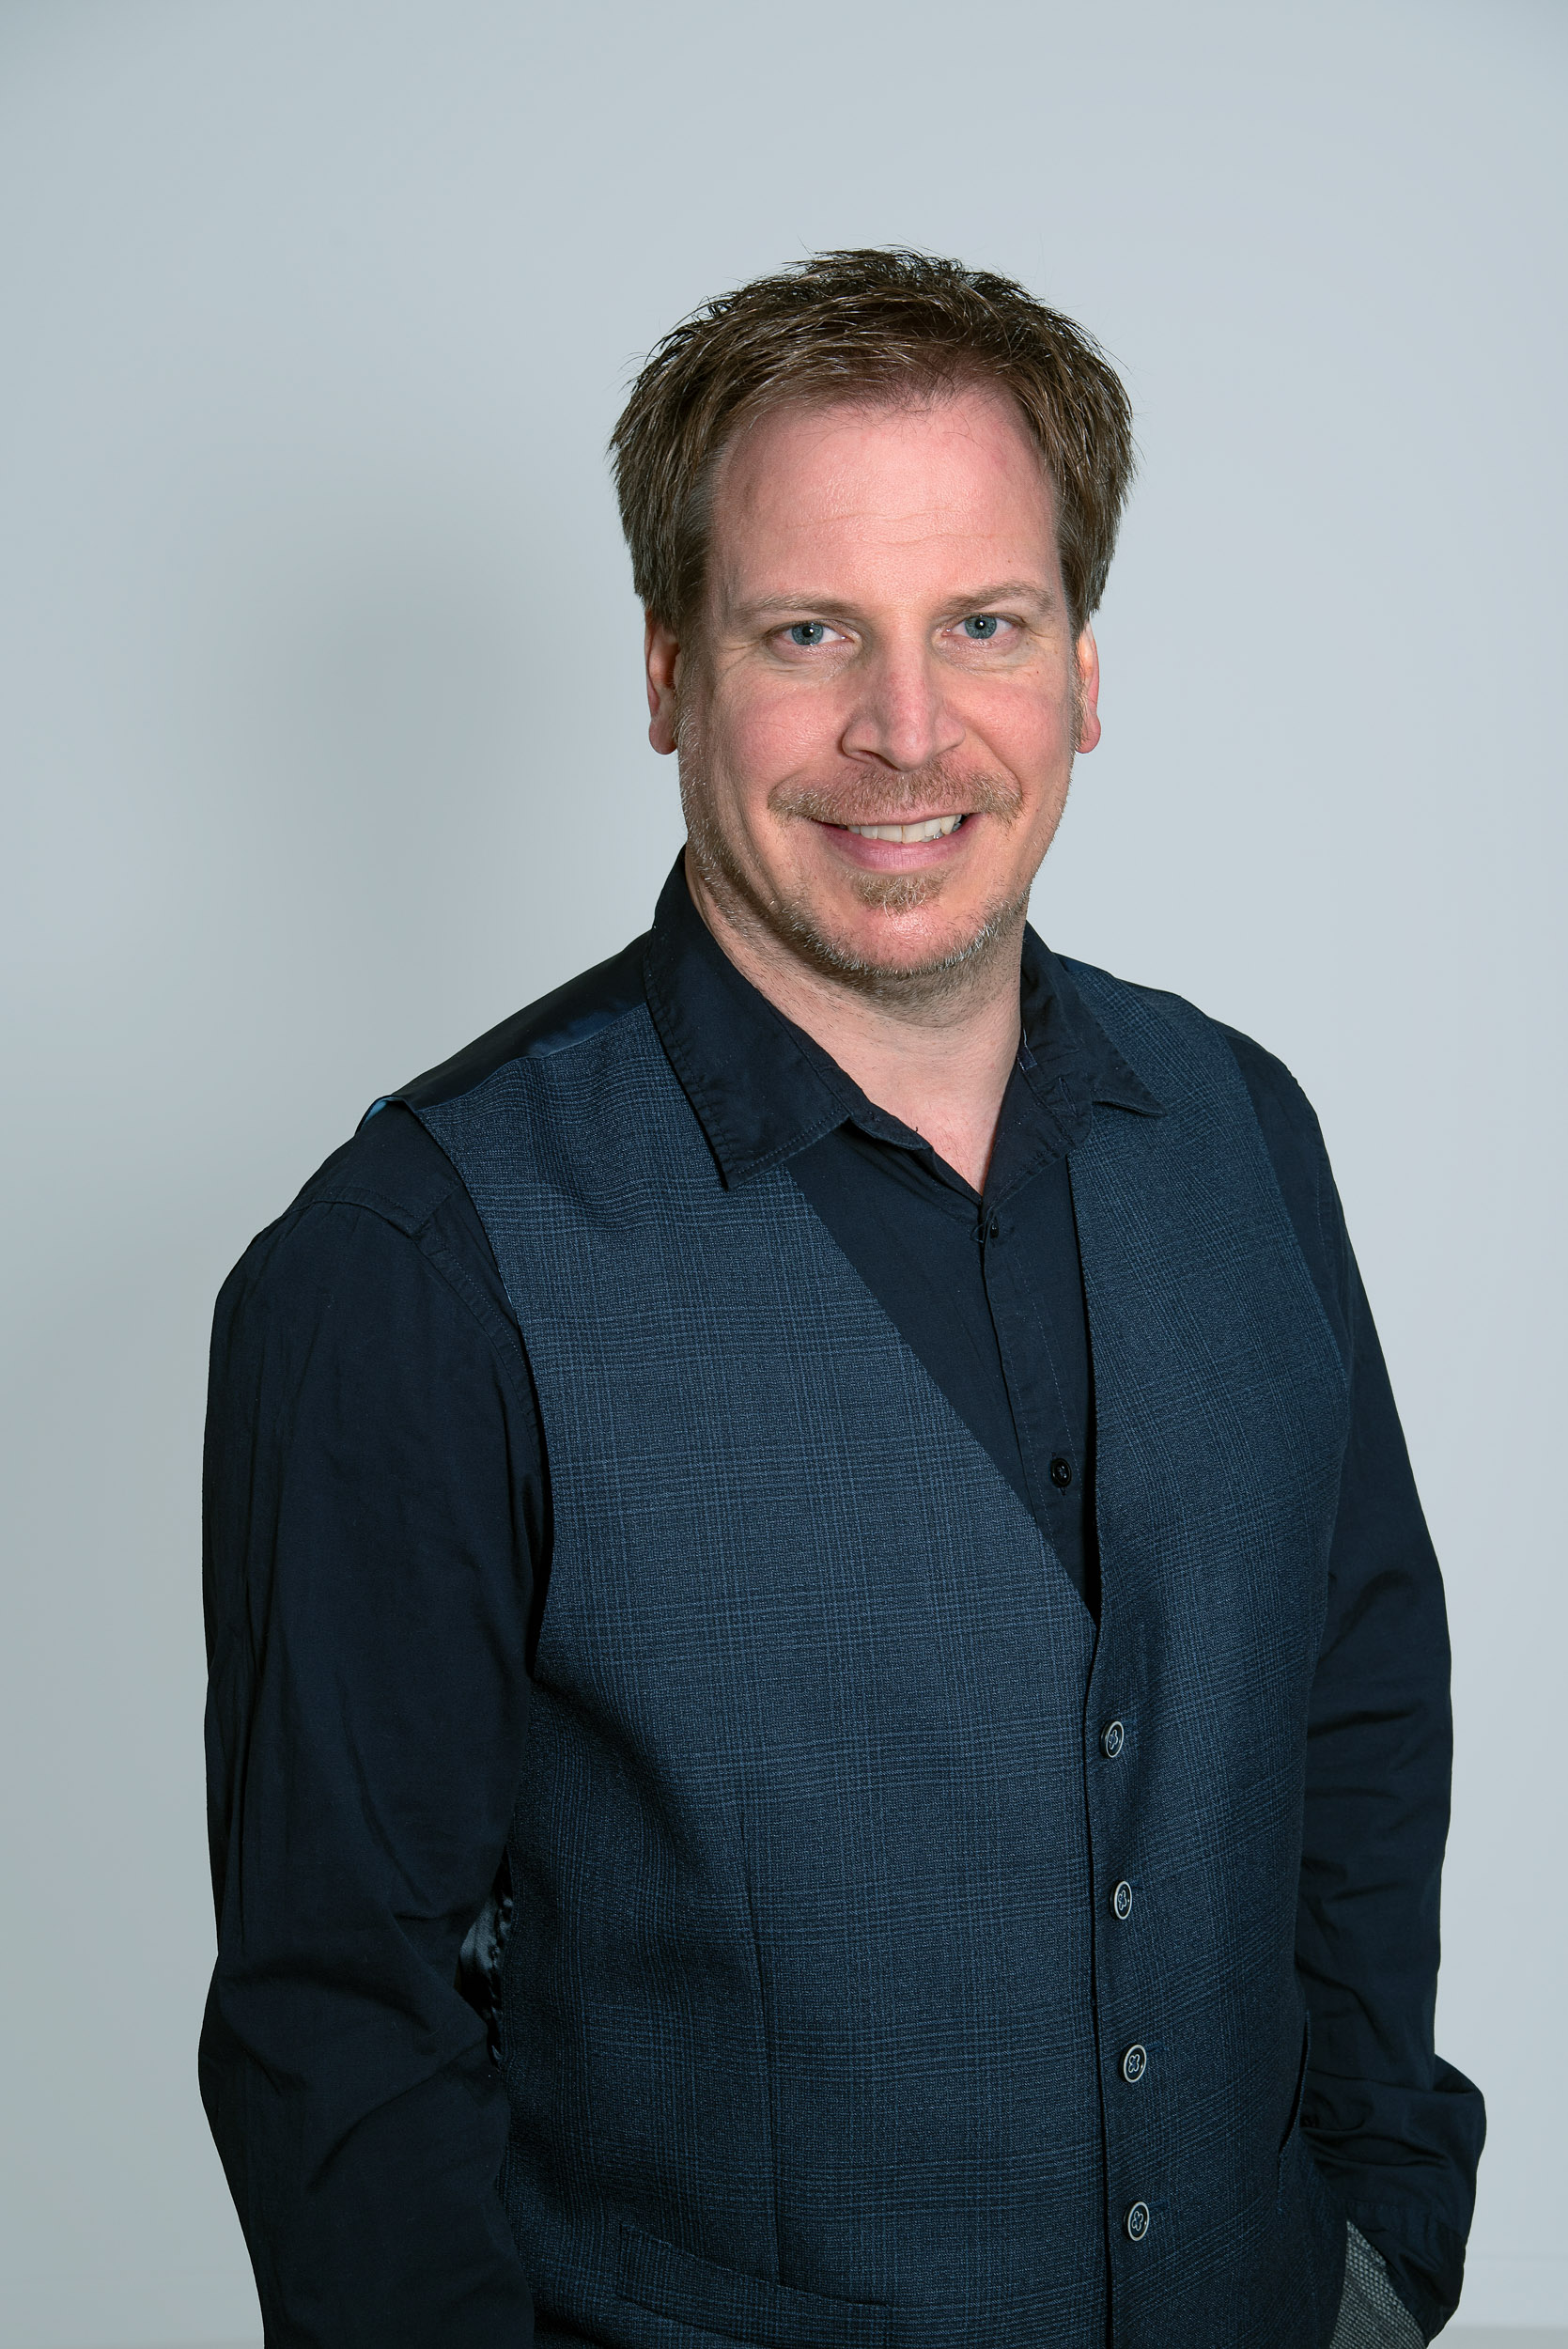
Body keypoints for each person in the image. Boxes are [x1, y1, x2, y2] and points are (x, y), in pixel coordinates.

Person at [200, 250, 1483, 2349]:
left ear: (1081, 668)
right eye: (808, 631)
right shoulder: (410, 1266)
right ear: (667, 671)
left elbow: (1350, 1701)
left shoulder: (1241, 1126)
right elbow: (340, 2030)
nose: (906, 730)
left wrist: (1376, 2240)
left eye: (982, 622)